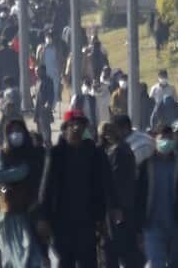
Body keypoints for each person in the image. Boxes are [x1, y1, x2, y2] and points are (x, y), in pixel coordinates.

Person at [38, 109, 118, 268]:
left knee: (88, 261)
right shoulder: (56, 154)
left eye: (80, 125)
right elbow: (46, 187)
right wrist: (43, 218)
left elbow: (106, 184)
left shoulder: (94, 154)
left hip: (88, 220)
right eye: (73, 125)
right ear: (65, 128)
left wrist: (111, 210)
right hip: (61, 221)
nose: (76, 129)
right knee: (65, 261)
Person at [0, 118, 45, 268]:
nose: (16, 135)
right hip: (9, 212)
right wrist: (22, 171)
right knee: (12, 256)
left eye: (19, 131)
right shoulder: (0, 153)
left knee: (32, 254)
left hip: (29, 210)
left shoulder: (31, 153)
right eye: (12, 132)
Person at [134, 124, 178, 268]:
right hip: (152, 225)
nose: (166, 142)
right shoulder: (145, 166)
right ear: (155, 139)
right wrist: (138, 224)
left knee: (176, 263)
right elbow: (139, 196)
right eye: (163, 138)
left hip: (176, 224)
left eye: (170, 138)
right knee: (157, 263)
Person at [100, 120, 142, 268]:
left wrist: (116, 207)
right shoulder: (124, 149)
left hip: (117, 208)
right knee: (125, 249)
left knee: (113, 248)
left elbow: (116, 182)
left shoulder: (118, 152)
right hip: (125, 206)